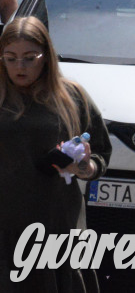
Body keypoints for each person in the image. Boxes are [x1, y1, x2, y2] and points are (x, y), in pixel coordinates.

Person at [0, 16, 111, 292]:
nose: (19, 67)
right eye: (10, 58)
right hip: (6, 225)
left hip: (57, 221)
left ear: (46, 56)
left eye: (29, 57)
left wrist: (85, 167)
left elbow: (99, 152)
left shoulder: (71, 96)